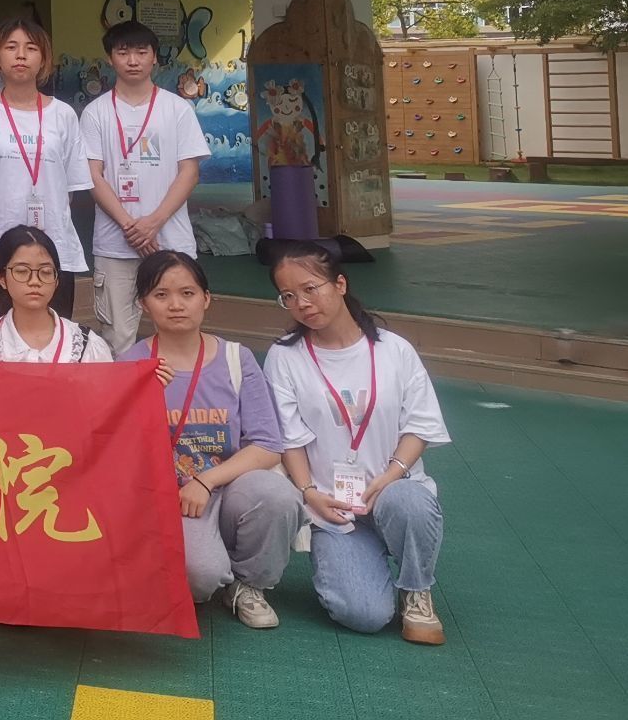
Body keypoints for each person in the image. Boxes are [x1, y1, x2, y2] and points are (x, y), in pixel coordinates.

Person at [263, 240, 449, 644]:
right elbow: (289, 437)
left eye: (310, 288)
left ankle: (416, 589)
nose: (302, 303)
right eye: (288, 296)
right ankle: (368, 564)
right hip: (332, 507)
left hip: (392, 489)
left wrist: (391, 475)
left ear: (340, 284)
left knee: (410, 501)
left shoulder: (393, 350)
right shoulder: (284, 357)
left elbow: (420, 425)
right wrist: (309, 493)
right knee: (363, 614)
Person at [119, 251, 300, 629]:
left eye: (187, 293)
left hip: (231, 488)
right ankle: (214, 563)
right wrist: (142, 397)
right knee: (198, 580)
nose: (176, 305)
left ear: (206, 298)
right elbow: (117, 451)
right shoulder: (129, 365)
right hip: (170, 499)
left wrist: (206, 480)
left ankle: (249, 584)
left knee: (278, 495)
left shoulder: (237, 358)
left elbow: (267, 445)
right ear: (143, 304)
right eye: (161, 295)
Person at [82, 21, 212, 356]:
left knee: (178, 329)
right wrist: (131, 226)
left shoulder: (178, 109)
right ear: (110, 58)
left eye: (142, 52)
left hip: (170, 240)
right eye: (123, 52)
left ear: (155, 57)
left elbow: (189, 172)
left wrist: (153, 222)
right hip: (115, 246)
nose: (133, 60)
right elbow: (93, 175)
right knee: (117, 338)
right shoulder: (95, 113)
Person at [0, 18, 92, 321]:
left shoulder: (64, 115)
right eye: (11, 47)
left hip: (54, 246)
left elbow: (69, 189)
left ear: (43, 59)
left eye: (31, 48)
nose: (20, 55)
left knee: (54, 336)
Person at [0, 226, 112, 362]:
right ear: (1, 278)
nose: (34, 281)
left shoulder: (86, 345)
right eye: (22, 271)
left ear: (56, 280)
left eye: (45, 272)